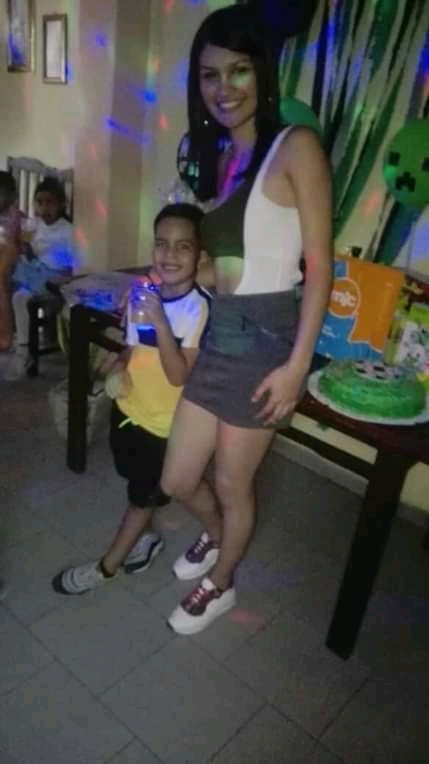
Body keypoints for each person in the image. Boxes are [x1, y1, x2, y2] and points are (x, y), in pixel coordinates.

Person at [160, 5, 334, 635]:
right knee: (178, 477)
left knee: (234, 483)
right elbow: (231, 265)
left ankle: (223, 582)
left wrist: (296, 367)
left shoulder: (296, 147)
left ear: (262, 70)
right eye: (210, 75)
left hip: (266, 343)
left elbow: (320, 266)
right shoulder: (216, 157)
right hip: (221, 332)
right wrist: (185, 277)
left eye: (238, 70)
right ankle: (218, 536)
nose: (224, 88)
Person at [52, 203, 211, 595]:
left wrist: (160, 321)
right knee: (135, 481)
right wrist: (119, 365)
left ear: (200, 256)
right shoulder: (144, 291)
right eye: (161, 243)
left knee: (141, 498)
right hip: (127, 409)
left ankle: (107, 567)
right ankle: (148, 537)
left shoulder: (197, 308)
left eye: (183, 246)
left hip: (161, 425)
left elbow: (178, 375)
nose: (169, 254)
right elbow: (134, 347)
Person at [6, 176, 77, 379]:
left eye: (50, 202)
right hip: (35, 271)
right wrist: (27, 249)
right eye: (40, 202)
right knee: (16, 293)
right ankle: (21, 345)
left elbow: (68, 265)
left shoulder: (68, 230)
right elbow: (31, 252)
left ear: (61, 204)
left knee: (17, 293)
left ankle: (23, 351)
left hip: (54, 278)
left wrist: (40, 259)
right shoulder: (36, 225)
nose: (44, 208)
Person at [0, 171, 21, 353]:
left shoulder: (14, 213)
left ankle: (5, 335)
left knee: (0, 282)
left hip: (10, 252)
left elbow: (15, 241)